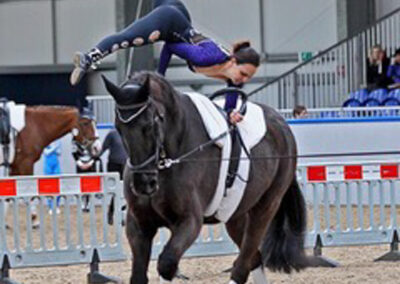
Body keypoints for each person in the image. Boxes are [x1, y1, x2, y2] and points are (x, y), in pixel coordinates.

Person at [69, 0, 260, 88]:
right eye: (243, 74)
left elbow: (232, 102)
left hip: (180, 18)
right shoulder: (209, 57)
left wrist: (234, 114)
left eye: (247, 78)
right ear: (233, 61)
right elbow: (170, 46)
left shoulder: (232, 80)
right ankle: (88, 58)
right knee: (128, 39)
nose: (243, 80)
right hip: (170, 21)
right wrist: (160, 77)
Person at [43, 140, 62, 214]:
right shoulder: (45, 141)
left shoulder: (57, 141)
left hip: (56, 164)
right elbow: (46, 153)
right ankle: (50, 206)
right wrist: (54, 148)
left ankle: (56, 205)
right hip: (48, 165)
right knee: (49, 186)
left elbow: (59, 153)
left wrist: (54, 148)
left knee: (57, 185)